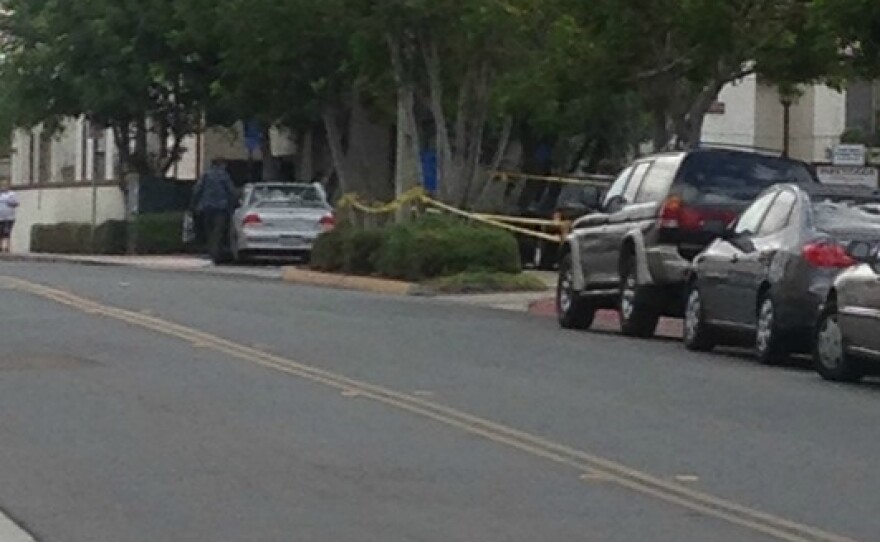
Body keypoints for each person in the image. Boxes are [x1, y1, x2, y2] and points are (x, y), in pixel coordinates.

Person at [191, 159, 237, 263]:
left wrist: (194, 205)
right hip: (221, 207)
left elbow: (196, 190)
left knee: (209, 230)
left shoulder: (205, 175)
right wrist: (233, 204)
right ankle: (215, 254)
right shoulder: (224, 176)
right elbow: (231, 191)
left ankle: (211, 251)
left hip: (206, 207)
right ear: (221, 164)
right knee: (218, 231)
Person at [0, 182, 19, 253]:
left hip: (9, 217)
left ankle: (7, 247)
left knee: (7, 232)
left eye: (5, 186)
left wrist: (9, 202)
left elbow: (16, 203)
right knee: (0, 232)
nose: (3, 187)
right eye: (2, 186)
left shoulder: (12, 194)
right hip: (0, 217)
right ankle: (1, 247)